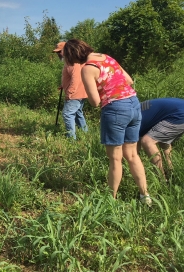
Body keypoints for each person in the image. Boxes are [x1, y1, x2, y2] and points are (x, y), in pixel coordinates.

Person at [62, 39, 151, 205]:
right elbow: (129, 80)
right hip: (134, 104)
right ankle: (145, 196)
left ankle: (111, 200)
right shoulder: (106, 57)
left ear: (72, 56)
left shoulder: (88, 68)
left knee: (116, 158)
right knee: (132, 154)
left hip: (116, 108)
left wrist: (95, 91)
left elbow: (95, 102)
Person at [138, 98, 184, 178]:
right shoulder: (131, 110)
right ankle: (171, 172)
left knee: (147, 141)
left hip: (179, 114)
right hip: (176, 111)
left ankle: (161, 179)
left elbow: (132, 151)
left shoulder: (124, 121)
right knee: (162, 140)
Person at [53, 42, 88, 139]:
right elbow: (72, 78)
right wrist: (63, 85)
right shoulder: (71, 61)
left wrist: (70, 92)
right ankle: (85, 134)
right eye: (57, 52)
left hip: (75, 94)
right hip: (81, 92)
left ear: (67, 50)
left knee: (67, 114)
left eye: (60, 51)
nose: (58, 54)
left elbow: (76, 78)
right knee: (77, 113)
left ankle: (71, 138)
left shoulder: (72, 62)